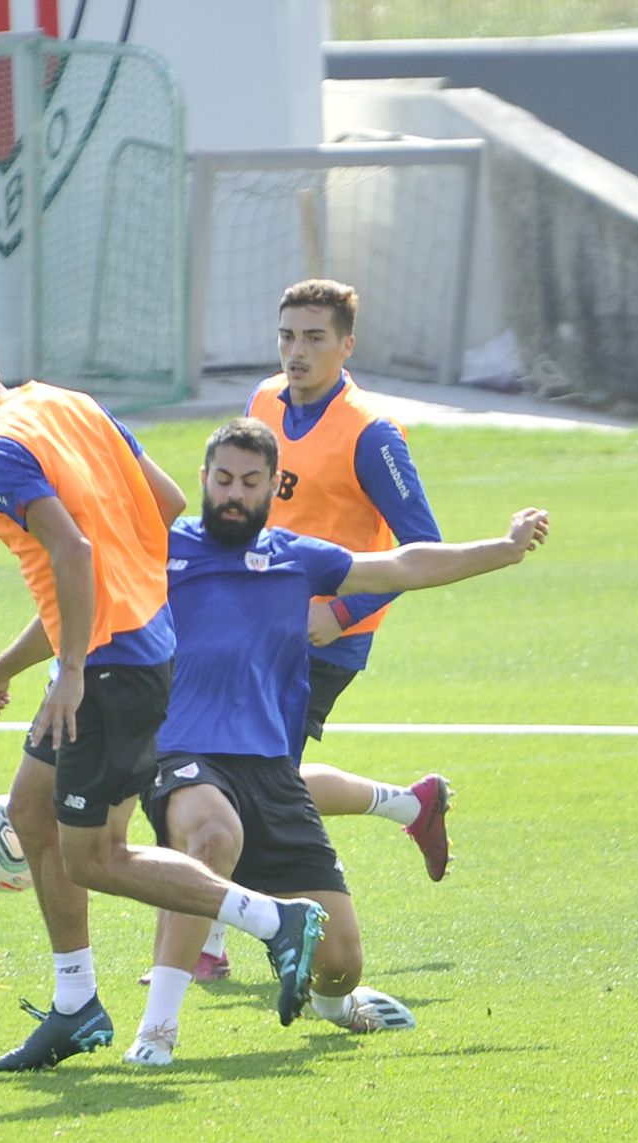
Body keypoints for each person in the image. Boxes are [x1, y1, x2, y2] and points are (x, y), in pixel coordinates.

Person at [0, 310, 334, 1070]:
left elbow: (70, 546)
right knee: (33, 812)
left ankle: (274, 921)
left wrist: (69, 670)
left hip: (104, 670)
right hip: (130, 649)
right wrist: (16, 663)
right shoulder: (68, 403)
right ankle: (76, 1006)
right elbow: (163, 505)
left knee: (95, 857)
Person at [126, 418, 549, 1066]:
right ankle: (156, 1034)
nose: (233, 493)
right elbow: (90, 595)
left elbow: (404, 562)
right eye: (222, 479)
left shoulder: (298, 557)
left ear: (271, 488)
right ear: (204, 481)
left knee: (341, 965)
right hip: (185, 754)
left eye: (249, 481)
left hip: (272, 771)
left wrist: (504, 548)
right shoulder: (165, 551)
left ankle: (330, 1003)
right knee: (208, 837)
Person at [185, 277, 450, 981]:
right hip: (251, 629)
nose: (295, 352)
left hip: (322, 640)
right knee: (264, 777)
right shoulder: (265, 401)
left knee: (242, 781)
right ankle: (410, 804)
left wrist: (340, 613)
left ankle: (209, 944)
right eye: (286, 336)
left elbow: (417, 545)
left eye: (313, 338)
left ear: (346, 345)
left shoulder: (371, 434)